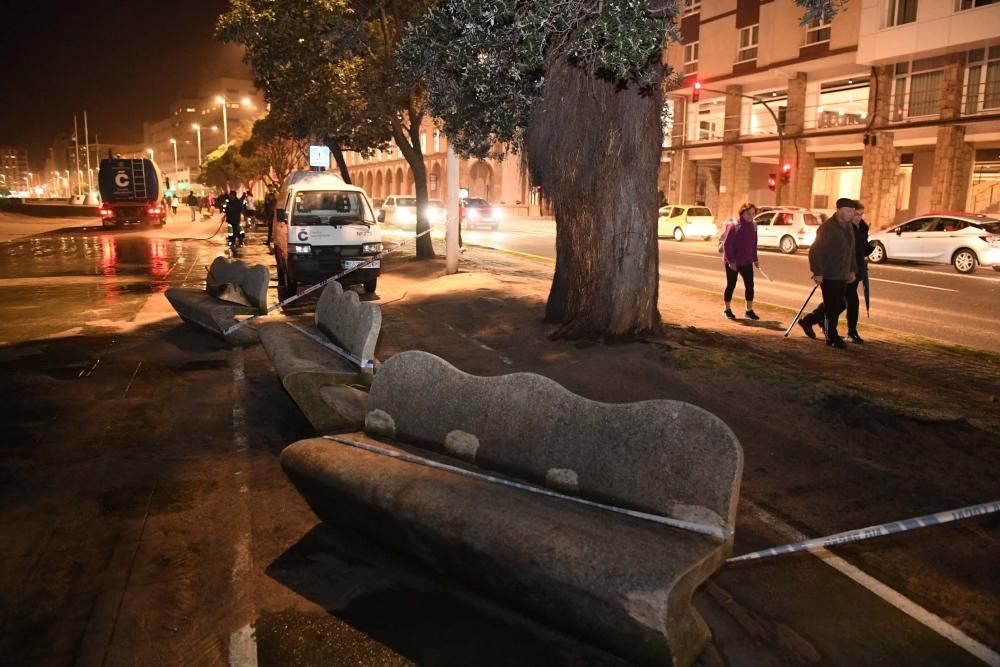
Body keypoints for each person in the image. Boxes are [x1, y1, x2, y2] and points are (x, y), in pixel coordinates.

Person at [799, 198, 858, 348]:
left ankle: (809, 320)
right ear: (839, 211)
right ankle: (831, 336)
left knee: (840, 304)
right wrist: (817, 272)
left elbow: (851, 250)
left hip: (843, 273)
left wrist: (852, 269)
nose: (852, 214)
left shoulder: (849, 226)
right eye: (849, 211)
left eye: (853, 211)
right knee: (832, 307)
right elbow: (815, 251)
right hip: (829, 273)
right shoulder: (828, 228)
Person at [720, 202, 761, 321]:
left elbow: (754, 244)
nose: (751, 216)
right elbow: (727, 245)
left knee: (750, 286)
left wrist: (755, 259)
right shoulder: (734, 225)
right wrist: (731, 261)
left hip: (746, 261)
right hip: (732, 261)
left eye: (753, 214)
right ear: (742, 213)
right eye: (748, 213)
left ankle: (749, 310)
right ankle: (727, 309)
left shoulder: (754, 226)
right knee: (731, 285)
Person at [844, 202, 872, 344]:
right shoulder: (844, 227)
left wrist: (870, 248)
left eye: (861, 215)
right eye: (856, 214)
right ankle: (851, 332)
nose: (859, 218)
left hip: (856, 269)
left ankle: (810, 320)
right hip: (844, 270)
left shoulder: (863, 227)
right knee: (849, 301)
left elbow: (862, 249)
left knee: (843, 301)